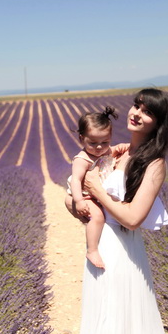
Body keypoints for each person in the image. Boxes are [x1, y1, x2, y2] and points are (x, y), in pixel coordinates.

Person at [67, 88, 168, 334]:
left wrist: (96, 192)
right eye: (135, 106)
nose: (136, 114)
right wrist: (76, 202)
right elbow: (80, 196)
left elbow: (132, 218)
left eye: (147, 112)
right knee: (100, 317)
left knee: (119, 318)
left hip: (123, 250)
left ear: (158, 122)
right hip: (102, 243)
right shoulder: (115, 150)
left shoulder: (154, 163)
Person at [65, 106, 125, 269]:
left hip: (98, 194)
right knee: (98, 217)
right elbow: (76, 181)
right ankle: (92, 250)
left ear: (110, 138)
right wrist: (79, 201)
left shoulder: (107, 150)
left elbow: (120, 148)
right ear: (81, 138)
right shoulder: (83, 159)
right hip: (86, 196)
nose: (99, 147)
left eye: (105, 142)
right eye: (93, 143)